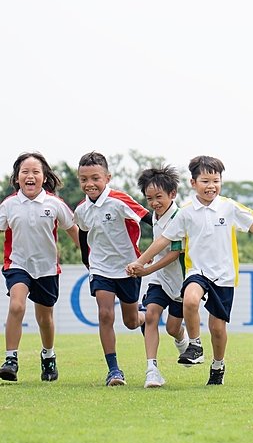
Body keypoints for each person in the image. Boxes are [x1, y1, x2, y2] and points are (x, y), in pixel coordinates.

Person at [127, 155, 253, 386]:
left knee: (218, 329)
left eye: (216, 181)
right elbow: (163, 240)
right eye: (205, 181)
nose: (211, 186)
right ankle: (195, 345)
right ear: (193, 183)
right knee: (190, 300)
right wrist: (141, 261)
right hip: (197, 271)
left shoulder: (228, 207)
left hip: (224, 275)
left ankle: (218, 365)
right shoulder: (187, 213)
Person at [0, 152, 80, 383]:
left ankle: (48, 356)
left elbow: (73, 230)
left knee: (45, 319)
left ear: (44, 177)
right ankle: (10, 360)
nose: (30, 176)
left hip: (46, 268)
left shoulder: (55, 204)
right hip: (17, 264)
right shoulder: (9, 205)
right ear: (17, 178)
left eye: (35, 171)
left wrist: (89, 258)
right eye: (25, 172)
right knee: (16, 305)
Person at [73, 151, 149, 386]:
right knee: (105, 314)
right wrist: (88, 262)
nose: (89, 184)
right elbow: (84, 234)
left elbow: (148, 217)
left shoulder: (120, 200)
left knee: (130, 321)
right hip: (100, 269)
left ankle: (145, 316)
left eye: (95, 178)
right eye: (84, 179)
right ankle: (114, 370)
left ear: (107, 177)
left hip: (128, 268)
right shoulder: (81, 209)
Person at [130, 165, 190, 388]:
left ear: (172, 194)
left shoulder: (179, 217)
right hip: (159, 279)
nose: (154, 202)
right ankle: (152, 370)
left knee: (172, 328)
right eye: (149, 198)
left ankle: (181, 340)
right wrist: (145, 266)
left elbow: (174, 253)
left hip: (180, 282)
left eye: (159, 197)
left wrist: (144, 267)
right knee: (152, 315)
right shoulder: (155, 215)